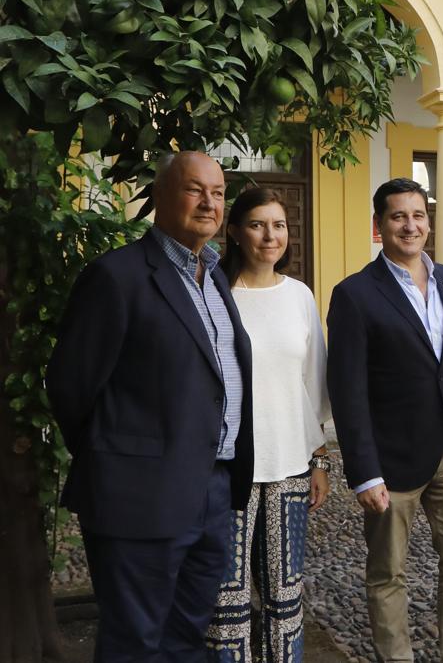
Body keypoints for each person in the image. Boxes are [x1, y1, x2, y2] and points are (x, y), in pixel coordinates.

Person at [46, 151, 254, 660]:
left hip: (213, 491)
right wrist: (122, 456)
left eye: (219, 193)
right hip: (139, 495)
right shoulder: (116, 277)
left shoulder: (216, 276)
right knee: (134, 643)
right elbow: (70, 386)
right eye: (194, 189)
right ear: (159, 196)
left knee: (186, 637)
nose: (210, 203)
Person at [326, 178, 443, 662]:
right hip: (391, 460)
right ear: (378, 225)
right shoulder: (355, 294)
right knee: (388, 573)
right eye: (398, 216)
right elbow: (348, 392)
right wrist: (363, 471)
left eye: (418, 215)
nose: (410, 225)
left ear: (429, 220)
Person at [204, 187, 333, 661]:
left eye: (278, 225)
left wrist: (320, 460)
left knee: (285, 592)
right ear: (235, 232)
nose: (269, 235)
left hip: (289, 464)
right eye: (258, 224)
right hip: (226, 468)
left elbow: (313, 384)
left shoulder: (298, 295)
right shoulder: (212, 294)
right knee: (227, 598)